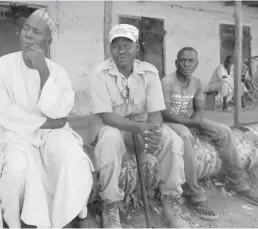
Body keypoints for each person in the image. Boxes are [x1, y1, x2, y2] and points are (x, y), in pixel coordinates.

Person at [0, 8, 94, 228]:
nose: (28, 35)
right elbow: (3, 111)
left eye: (36, 32)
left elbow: (59, 111)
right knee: (17, 167)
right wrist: (46, 123)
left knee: (73, 157)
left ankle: (73, 216)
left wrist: (44, 72)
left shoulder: (57, 71)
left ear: (48, 40)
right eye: (26, 28)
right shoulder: (1, 67)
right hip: (16, 134)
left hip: (51, 134)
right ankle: (17, 223)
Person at [90, 24, 190, 228]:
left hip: (142, 127)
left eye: (127, 45)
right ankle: (111, 204)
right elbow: (107, 116)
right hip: (114, 127)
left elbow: (155, 113)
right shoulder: (99, 73)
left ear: (137, 47)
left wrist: (153, 132)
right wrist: (138, 129)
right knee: (109, 140)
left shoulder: (149, 72)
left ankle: (170, 203)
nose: (121, 50)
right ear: (110, 49)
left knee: (172, 140)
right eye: (116, 45)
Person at [161, 47, 258, 221]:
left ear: (196, 64)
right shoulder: (167, 82)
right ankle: (195, 194)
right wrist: (192, 124)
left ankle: (239, 184)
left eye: (190, 60)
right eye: (182, 60)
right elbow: (165, 113)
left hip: (188, 119)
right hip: (169, 121)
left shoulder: (197, 82)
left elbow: (199, 109)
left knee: (224, 131)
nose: (186, 63)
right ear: (176, 63)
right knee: (185, 137)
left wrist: (196, 122)